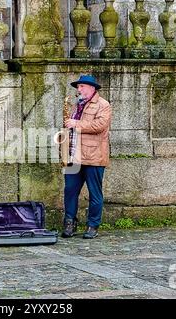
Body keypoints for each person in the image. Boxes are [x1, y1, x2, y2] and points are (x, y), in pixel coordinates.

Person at [61, 74, 112, 239]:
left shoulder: (103, 105)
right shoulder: (77, 106)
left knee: (94, 193)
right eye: (78, 87)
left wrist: (76, 124)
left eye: (82, 86)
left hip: (94, 156)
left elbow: (99, 126)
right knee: (70, 190)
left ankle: (92, 226)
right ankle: (70, 223)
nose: (79, 89)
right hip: (73, 156)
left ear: (92, 88)